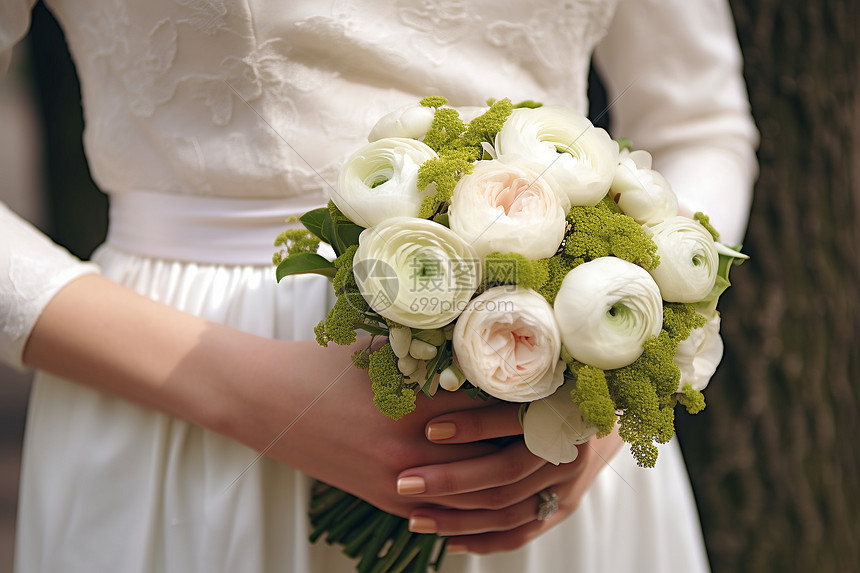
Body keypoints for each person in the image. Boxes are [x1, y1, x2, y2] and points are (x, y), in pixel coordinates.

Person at [0, 0, 758, 571]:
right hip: (177, 398)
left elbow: (700, 121)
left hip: (542, 424)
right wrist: (250, 391)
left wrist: (603, 397)